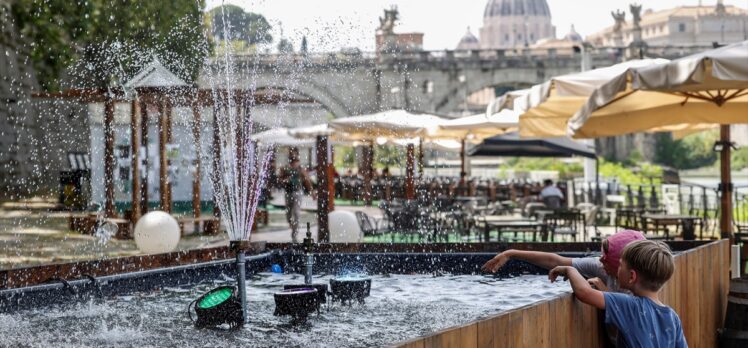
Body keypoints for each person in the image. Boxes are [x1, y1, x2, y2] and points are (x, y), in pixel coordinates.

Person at [549, 240, 686, 347]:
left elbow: (584, 293)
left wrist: (570, 270)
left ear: (632, 276)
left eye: (620, 265)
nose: (618, 269)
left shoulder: (629, 305)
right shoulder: (672, 317)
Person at [482, 229, 645, 293]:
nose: (601, 259)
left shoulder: (639, 292)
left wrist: (605, 294)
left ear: (621, 266)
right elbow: (555, 261)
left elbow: (586, 294)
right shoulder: (602, 268)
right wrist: (511, 253)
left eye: (607, 258)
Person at [279, 149, 313, 243]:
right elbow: (280, 180)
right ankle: (290, 222)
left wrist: (312, 192)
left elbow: (307, 181)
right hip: (288, 192)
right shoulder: (285, 168)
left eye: (296, 161)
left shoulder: (301, 169)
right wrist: (285, 180)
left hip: (298, 193)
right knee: (288, 212)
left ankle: (294, 234)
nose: (295, 164)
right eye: (293, 162)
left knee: (297, 213)